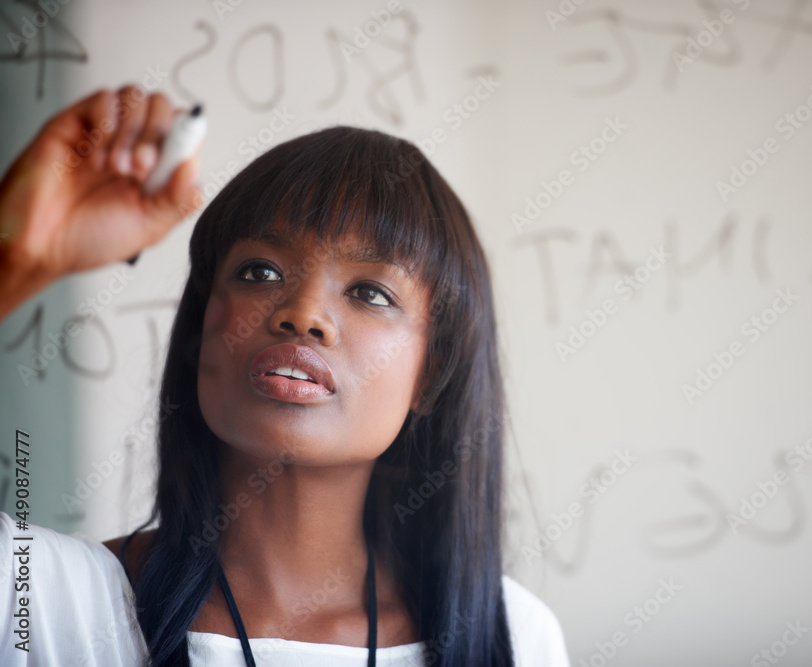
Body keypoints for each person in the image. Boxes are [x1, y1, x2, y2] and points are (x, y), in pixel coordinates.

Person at [0, 84, 571, 667]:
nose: (302, 313)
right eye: (259, 270)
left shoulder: (516, 638)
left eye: (370, 292)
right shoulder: (38, 599)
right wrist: (16, 253)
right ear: (201, 334)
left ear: (431, 375)